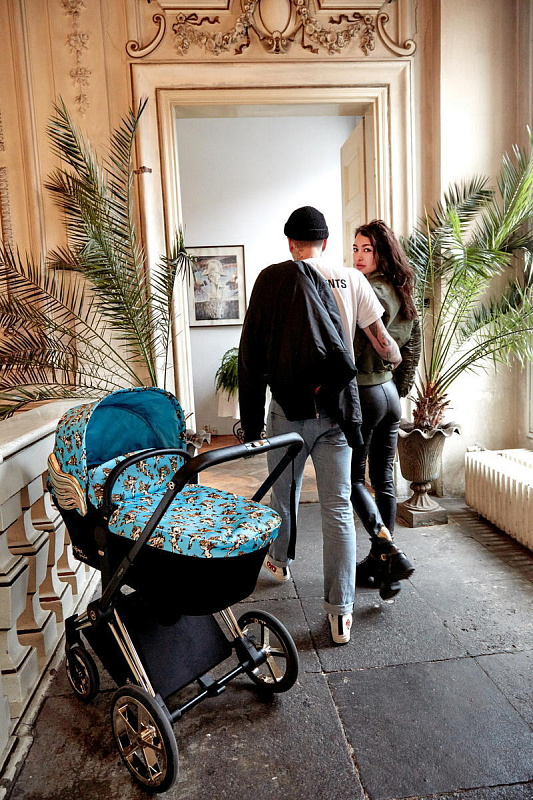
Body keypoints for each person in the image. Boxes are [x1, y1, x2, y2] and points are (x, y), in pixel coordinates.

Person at [238, 206, 401, 645]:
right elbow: (383, 344)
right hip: (338, 411)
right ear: (326, 243)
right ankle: (340, 613)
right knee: (338, 509)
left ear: (291, 243)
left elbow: (250, 354)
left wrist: (251, 425)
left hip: (288, 413)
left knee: (284, 492)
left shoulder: (272, 280)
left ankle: (279, 562)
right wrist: (396, 366)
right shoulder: (352, 279)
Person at [350, 219, 420, 600]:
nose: (359, 256)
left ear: (382, 252)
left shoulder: (366, 291)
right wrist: (398, 389)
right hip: (390, 395)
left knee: (352, 481)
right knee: (385, 479)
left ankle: (387, 550)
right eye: (356, 248)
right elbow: (413, 348)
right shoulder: (402, 289)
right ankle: (385, 570)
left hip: (365, 392)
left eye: (367, 249)